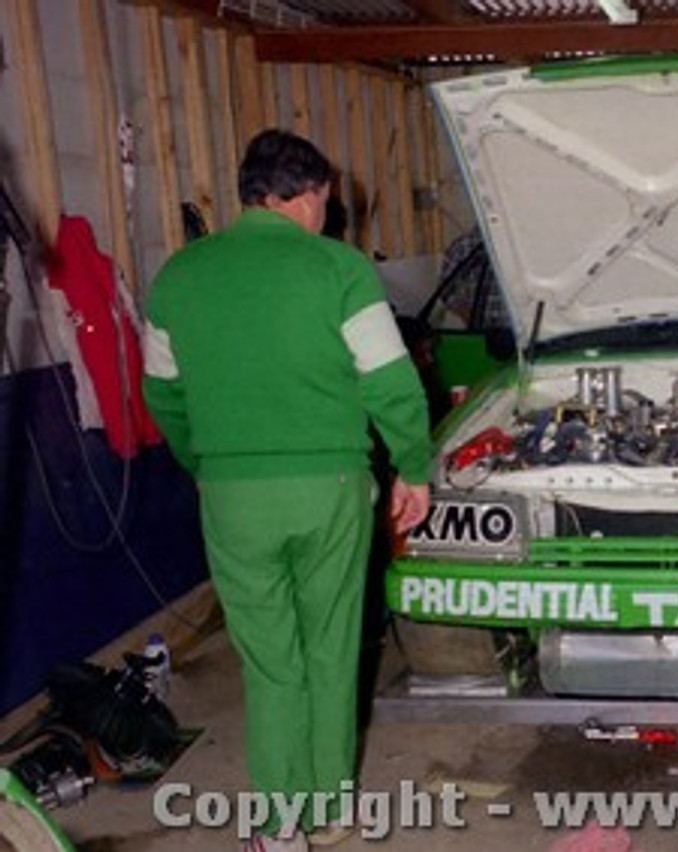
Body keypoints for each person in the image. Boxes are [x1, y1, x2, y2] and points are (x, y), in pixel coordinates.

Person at [142, 130, 431, 851]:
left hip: (234, 495)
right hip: (331, 486)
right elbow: (390, 382)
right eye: (325, 204)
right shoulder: (339, 270)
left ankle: (279, 828)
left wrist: (210, 465)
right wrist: (414, 467)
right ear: (307, 195)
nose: (327, 219)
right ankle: (332, 809)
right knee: (333, 648)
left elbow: (162, 395)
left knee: (272, 662)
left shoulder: (177, 277)